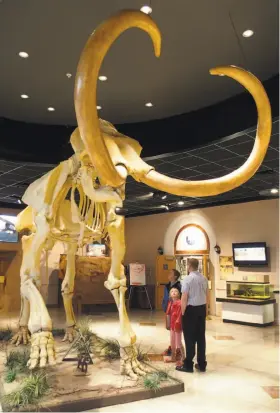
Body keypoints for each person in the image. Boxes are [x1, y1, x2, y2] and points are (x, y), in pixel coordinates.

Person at [176, 258, 208, 373]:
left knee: (189, 338)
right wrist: (206, 310)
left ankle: (188, 364)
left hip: (190, 310)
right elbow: (206, 294)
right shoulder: (204, 278)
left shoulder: (188, 279)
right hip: (201, 309)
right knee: (200, 337)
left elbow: (184, 297)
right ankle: (202, 363)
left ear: (189, 266)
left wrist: (183, 313)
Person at [162, 269, 181, 356]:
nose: (169, 274)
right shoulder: (166, 285)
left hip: (176, 312)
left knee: (177, 332)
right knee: (170, 329)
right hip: (168, 310)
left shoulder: (179, 286)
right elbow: (165, 298)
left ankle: (179, 350)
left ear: (175, 276)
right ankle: (172, 348)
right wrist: (164, 307)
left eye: (171, 273)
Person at [165, 288, 184, 365]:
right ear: (170, 295)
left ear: (179, 294)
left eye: (176, 291)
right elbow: (168, 314)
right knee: (172, 342)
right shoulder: (170, 303)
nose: (174, 292)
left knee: (178, 342)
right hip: (172, 326)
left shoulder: (179, 303)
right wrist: (168, 324)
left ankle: (183, 358)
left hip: (178, 326)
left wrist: (178, 324)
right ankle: (173, 357)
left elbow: (180, 315)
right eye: (172, 291)